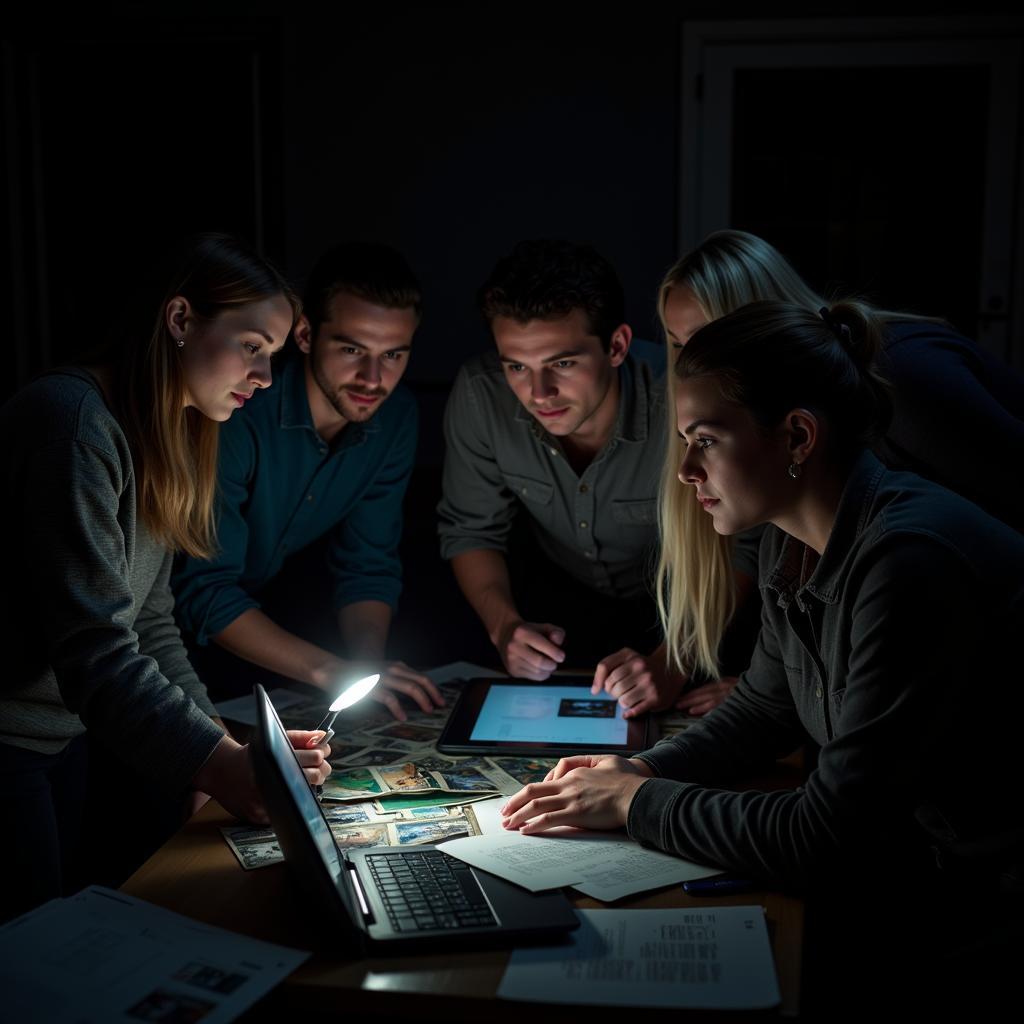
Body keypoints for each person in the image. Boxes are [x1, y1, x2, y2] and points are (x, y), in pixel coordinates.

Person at [500, 301, 1024, 900]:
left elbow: (826, 837)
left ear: (797, 436)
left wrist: (637, 802)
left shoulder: (909, 562)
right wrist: (644, 768)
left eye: (707, 440)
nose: (686, 471)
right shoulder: (789, 539)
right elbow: (763, 711)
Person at [0, 234, 331, 922]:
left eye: (273, 355)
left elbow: (150, 624)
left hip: (61, 740)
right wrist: (219, 763)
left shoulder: (159, 434)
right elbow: (96, 651)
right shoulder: (71, 424)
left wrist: (226, 747)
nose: (267, 377)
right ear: (180, 320)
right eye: (252, 346)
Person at [173, 242, 442, 721]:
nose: (373, 378)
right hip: (168, 640)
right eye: (352, 349)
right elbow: (204, 588)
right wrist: (331, 670)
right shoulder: (236, 408)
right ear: (304, 334)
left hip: (276, 624)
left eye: (394, 355)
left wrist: (366, 668)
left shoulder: (396, 417)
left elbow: (368, 563)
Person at [438, 239, 687, 717]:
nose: (539, 392)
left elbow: (741, 546)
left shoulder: (679, 396)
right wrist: (504, 626)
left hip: (688, 605)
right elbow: (470, 529)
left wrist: (676, 661)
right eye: (516, 366)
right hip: (557, 603)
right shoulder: (480, 395)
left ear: (616, 346)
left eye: (563, 363)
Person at [659, 229, 1024, 531]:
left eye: (705, 335)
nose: (692, 360)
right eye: (679, 345)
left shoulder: (902, 377)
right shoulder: (783, 466)